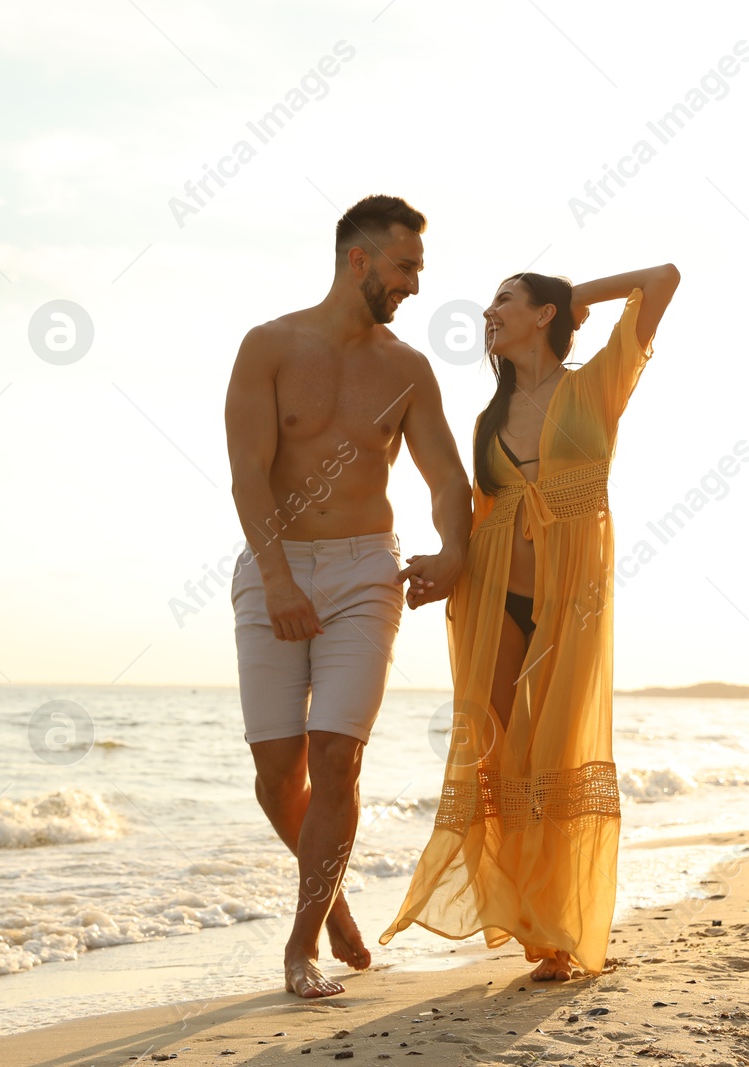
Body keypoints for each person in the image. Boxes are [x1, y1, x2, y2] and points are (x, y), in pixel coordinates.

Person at [380, 263, 681, 981]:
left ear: (544, 314)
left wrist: (575, 297)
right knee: (498, 755)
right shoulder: (487, 418)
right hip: (490, 596)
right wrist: (449, 565)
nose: (489, 313)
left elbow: (664, 279)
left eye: (504, 301)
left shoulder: (595, 385)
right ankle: (526, 917)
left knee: (552, 755)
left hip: (570, 598)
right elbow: (475, 509)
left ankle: (558, 924)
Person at [225, 195, 472, 998]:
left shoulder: (406, 369)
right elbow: (248, 474)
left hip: (368, 568)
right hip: (276, 564)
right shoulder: (268, 346)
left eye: (418, 271)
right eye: (405, 268)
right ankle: (329, 898)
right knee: (275, 773)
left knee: (337, 758)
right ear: (359, 260)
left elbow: (445, 481)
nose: (414, 285)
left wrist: (456, 550)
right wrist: (277, 580)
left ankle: (301, 947)